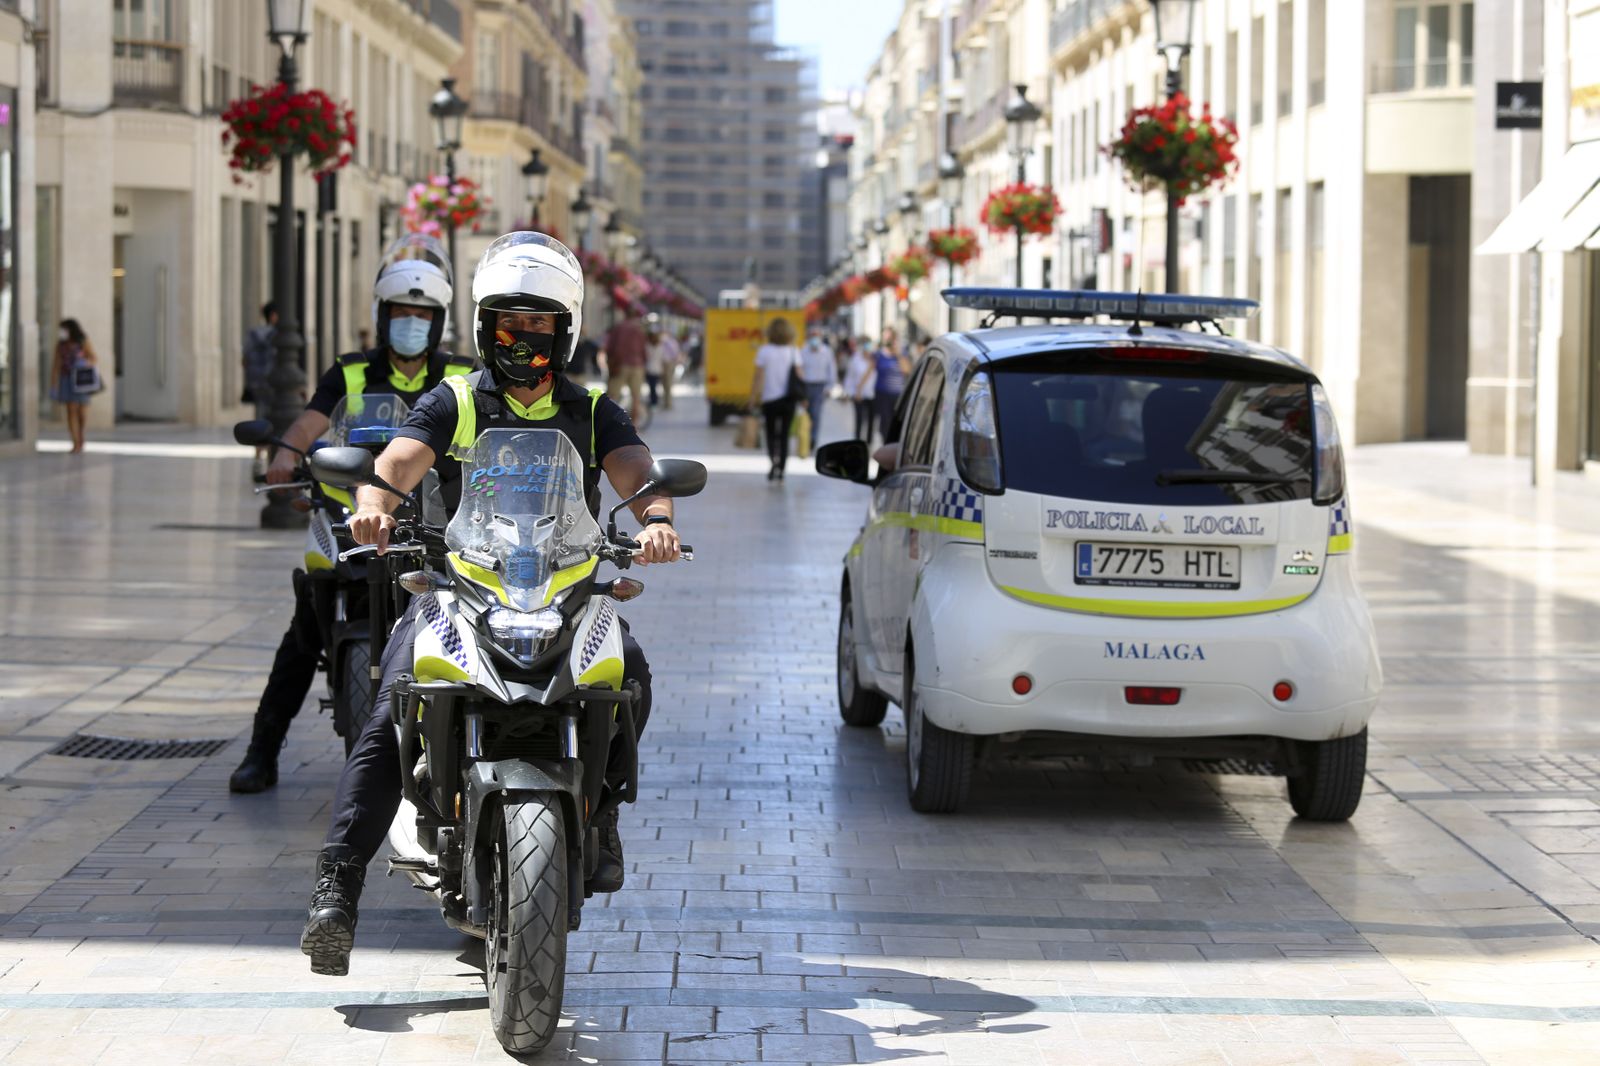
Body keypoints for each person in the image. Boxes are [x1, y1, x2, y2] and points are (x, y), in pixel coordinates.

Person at [300, 232, 683, 978]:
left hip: (565, 586)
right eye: (510, 323)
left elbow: (636, 471)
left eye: (539, 324)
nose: (523, 338)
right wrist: (375, 504)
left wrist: (657, 519)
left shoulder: (594, 408)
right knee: (390, 705)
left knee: (628, 669)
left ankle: (601, 817)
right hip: (459, 586)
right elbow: (396, 462)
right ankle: (336, 889)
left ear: (565, 330)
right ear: (483, 327)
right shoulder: (456, 400)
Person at [229, 235, 476, 794]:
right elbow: (311, 422)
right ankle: (262, 750)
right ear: (381, 316)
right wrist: (285, 455)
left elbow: (491, 437)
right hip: (351, 517)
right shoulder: (351, 372)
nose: (410, 323)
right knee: (304, 629)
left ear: (439, 324)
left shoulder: (462, 376)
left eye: (423, 315)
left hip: (434, 524)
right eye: (401, 314)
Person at [749, 317, 801, 482]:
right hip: (789, 400)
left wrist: (752, 397)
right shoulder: (793, 351)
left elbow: (758, 376)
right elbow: (800, 376)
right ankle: (782, 469)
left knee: (770, 434)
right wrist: (804, 397)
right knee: (785, 435)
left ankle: (773, 463)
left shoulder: (764, 351)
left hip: (769, 399)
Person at [51, 319, 99, 454]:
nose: (61, 332)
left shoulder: (82, 341)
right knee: (71, 410)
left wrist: (83, 363)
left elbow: (94, 358)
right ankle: (75, 442)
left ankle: (81, 435)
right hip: (66, 379)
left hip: (81, 380)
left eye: (63, 329)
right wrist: (53, 385)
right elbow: (56, 365)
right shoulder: (60, 345)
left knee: (82, 413)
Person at [860, 327, 912, 446]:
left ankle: (895, 443)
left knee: (897, 421)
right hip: (882, 393)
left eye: (889, 337)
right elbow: (868, 371)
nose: (887, 340)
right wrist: (859, 388)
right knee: (884, 422)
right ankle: (886, 443)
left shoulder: (902, 353)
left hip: (898, 394)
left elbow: (907, 370)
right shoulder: (878, 354)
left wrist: (898, 354)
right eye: (885, 337)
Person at [243, 304, 278, 475]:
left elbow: (245, 359)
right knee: (275, 423)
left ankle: (258, 457)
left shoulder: (253, 334)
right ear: (273, 315)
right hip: (275, 385)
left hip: (257, 383)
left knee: (260, 420)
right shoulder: (278, 335)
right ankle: (271, 459)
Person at [601, 308, 648, 423]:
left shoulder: (619, 328)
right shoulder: (639, 329)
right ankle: (635, 424)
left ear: (625, 315)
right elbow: (644, 349)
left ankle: (608, 422)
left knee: (612, 396)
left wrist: (611, 363)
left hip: (621, 364)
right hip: (637, 365)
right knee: (636, 397)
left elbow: (611, 347)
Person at [799, 332, 835, 452]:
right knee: (806, 414)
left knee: (816, 414)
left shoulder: (826, 351)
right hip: (806, 385)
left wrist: (830, 387)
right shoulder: (803, 351)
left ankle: (813, 439)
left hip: (820, 385)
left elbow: (831, 369)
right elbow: (800, 369)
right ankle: (805, 437)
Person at [644, 314, 682, 411]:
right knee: (663, 384)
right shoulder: (664, 340)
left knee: (667, 384)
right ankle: (664, 402)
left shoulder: (666, 340)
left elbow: (674, 353)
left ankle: (667, 403)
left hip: (667, 363)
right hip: (662, 363)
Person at [843, 336, 875, 442]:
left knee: (871, 420)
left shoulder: (874, 360)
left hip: (872, 394)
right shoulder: (855, 360)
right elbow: (849, 378)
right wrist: (849, 393)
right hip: (858, 395)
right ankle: (857, 441)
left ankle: (869, 441)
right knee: (859, 419)